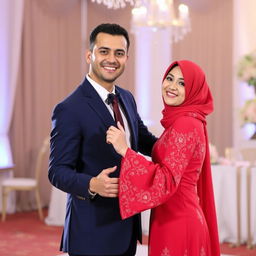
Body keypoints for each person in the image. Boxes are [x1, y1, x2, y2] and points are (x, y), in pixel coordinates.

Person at [48, 23, 157, 256]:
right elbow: (57, 171)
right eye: (104, 51)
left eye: (119, 53)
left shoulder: (126, 98)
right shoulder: (69, 108)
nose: (112, 59)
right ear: (90, 55)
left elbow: (145, 140)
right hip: (92, 231)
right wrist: (91, 185)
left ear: (127, 57)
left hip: (127, 225)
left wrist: (181, 143)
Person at [106, 60, 220, 255]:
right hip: (173, 216)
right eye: (169, 78)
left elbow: (165, 180)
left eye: (182, 83)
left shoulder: (186, 123)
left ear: (194, 90)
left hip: (178, 221)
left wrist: (125, 150)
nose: (172, 86)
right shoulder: (184, 121)